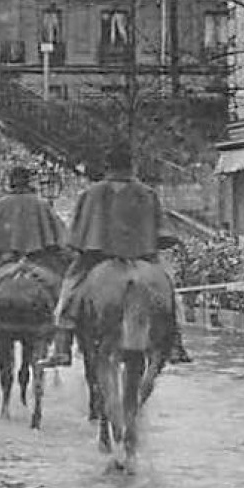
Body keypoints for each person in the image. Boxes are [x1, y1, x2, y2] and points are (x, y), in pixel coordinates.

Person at [51, 147, 191, 366]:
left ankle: (63, 346)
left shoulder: (91, 193)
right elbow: (163, 234)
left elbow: (75, 238)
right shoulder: (147, 192)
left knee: (70, 289)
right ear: (131, 166)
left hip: (96, 258)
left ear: (107, 167)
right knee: (168, 289)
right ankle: (174, 342)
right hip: (142, 257)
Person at [0, 167, 67, 310]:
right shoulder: (42, 205)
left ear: (11, 182)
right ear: (29, 182)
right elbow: (61, 238)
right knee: (67, 285)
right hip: (39, 260)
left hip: (4, 260)